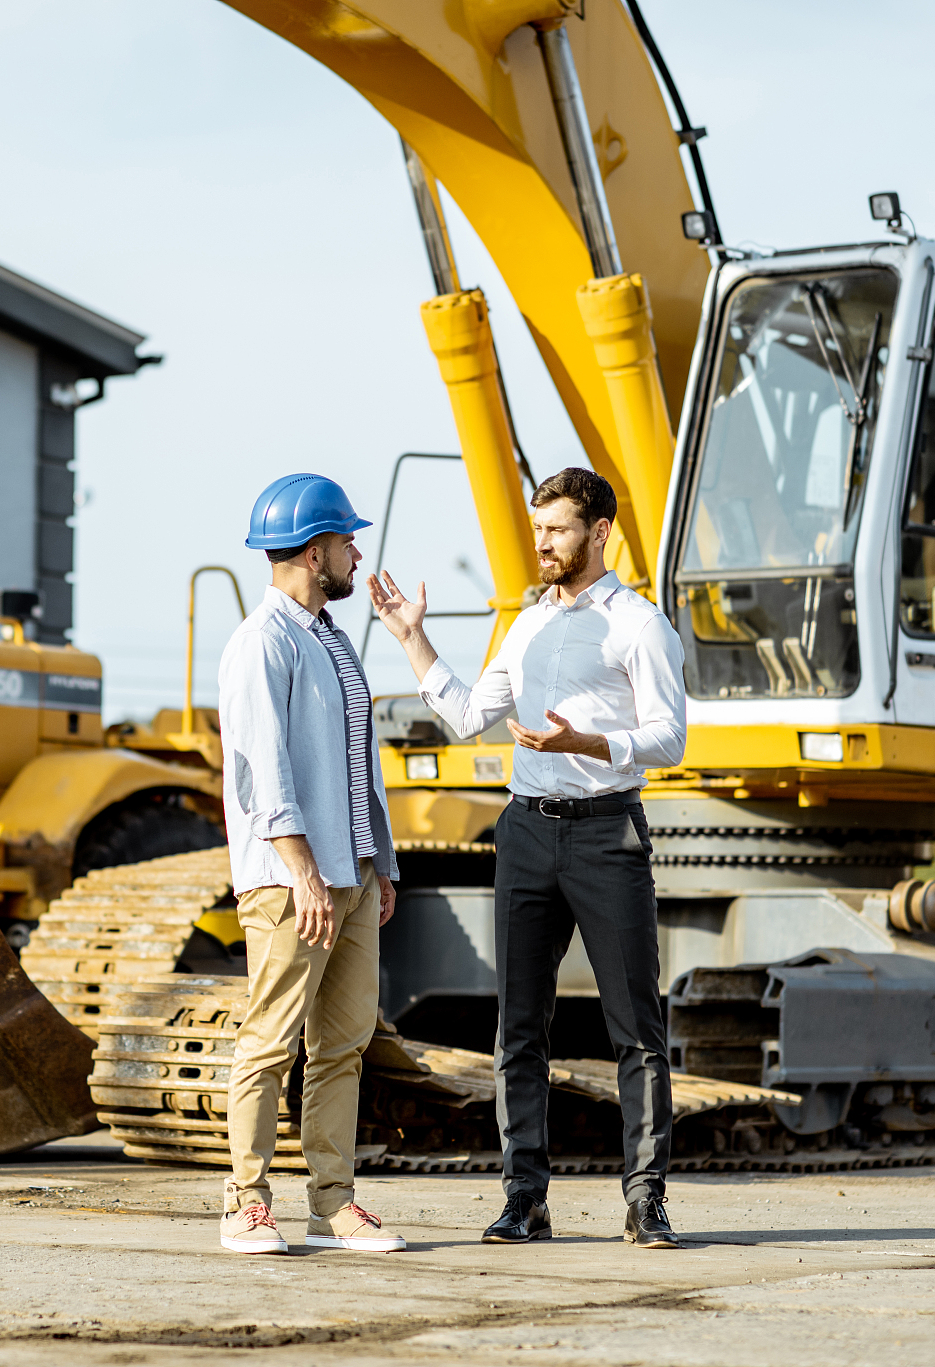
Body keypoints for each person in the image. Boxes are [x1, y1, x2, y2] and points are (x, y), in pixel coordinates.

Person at [367, 466, 687, 1250]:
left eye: (557, 529)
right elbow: (473, 714)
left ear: (600, 531)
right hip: (527, 833)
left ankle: (646, 1199)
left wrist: (586, 741)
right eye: (537, 528)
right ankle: (524, 1199)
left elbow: (671, 738)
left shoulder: (640, 626)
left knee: (636, 1028)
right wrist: (413, 636)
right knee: (519, 1026)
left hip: (608, 833)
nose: (540, 542)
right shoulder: (528, 623)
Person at [214, 472, 406, 1256]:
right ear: (314, 549)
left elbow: (358, 762)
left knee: (343, 1043)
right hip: (293, 878)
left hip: (351, 874)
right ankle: (244, 1202)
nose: (358, 553)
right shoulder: (262, 640)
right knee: (271, 1038)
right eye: (347, 541)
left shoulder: (329, 637)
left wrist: (379, 864)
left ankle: (333, 1202)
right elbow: (261, 767)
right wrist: (298, 866)